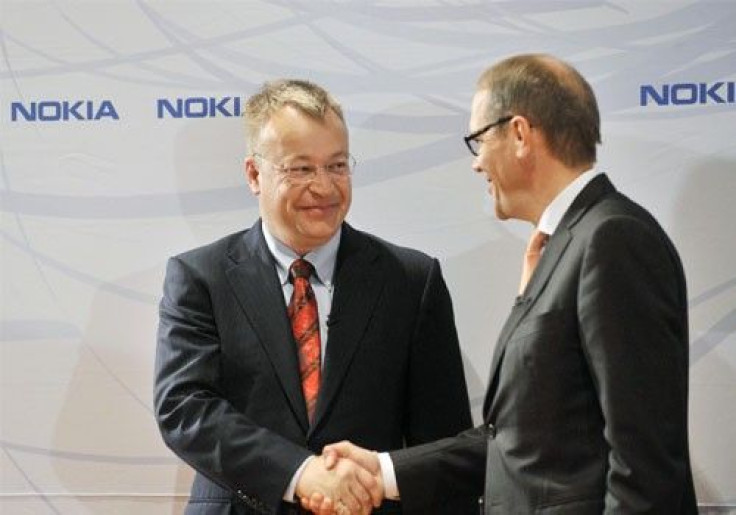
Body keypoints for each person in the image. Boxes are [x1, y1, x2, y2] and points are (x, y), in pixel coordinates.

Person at [308, 54, 698, 514]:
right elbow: (518, 443)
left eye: (478, 140)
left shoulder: (613, 239)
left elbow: (645, 464)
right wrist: (383, 472)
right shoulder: (565, 244)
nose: (476, 165)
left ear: (519, 134)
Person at [154, 79, 475, 514]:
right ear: (254, 174)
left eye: (337, 166)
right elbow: (185, 408)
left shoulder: (411, 280)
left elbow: (441, 444)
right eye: (301, 169)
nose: (324, 187)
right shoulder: (201, 277)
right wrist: (299, 472)